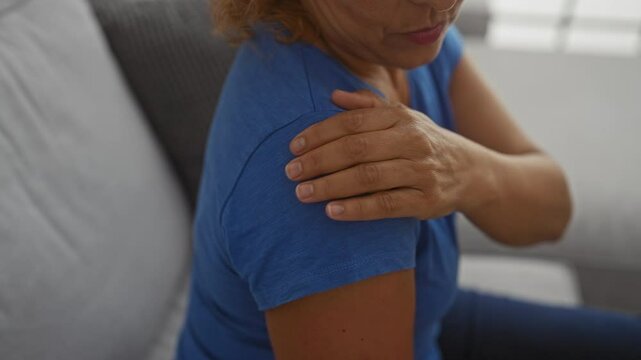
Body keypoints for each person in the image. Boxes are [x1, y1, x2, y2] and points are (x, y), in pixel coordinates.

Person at [175, 0, 641, 359]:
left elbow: (551, 210)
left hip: (427, 315)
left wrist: (466, 168)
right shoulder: (329, 162)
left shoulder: (404, 37)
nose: (441, 2)